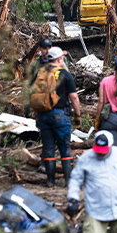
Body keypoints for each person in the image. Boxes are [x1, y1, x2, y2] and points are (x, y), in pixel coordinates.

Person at [28, 47, 79, 186]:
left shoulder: (40, 73)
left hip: (43, 115)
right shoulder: (64, 74)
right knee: (64, 148)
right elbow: (74, 97)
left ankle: (50, 181)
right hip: (60, 115)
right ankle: (68, 181)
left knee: (48, 147)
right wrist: (77, 115)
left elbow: (32, 93)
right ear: (59, 59)